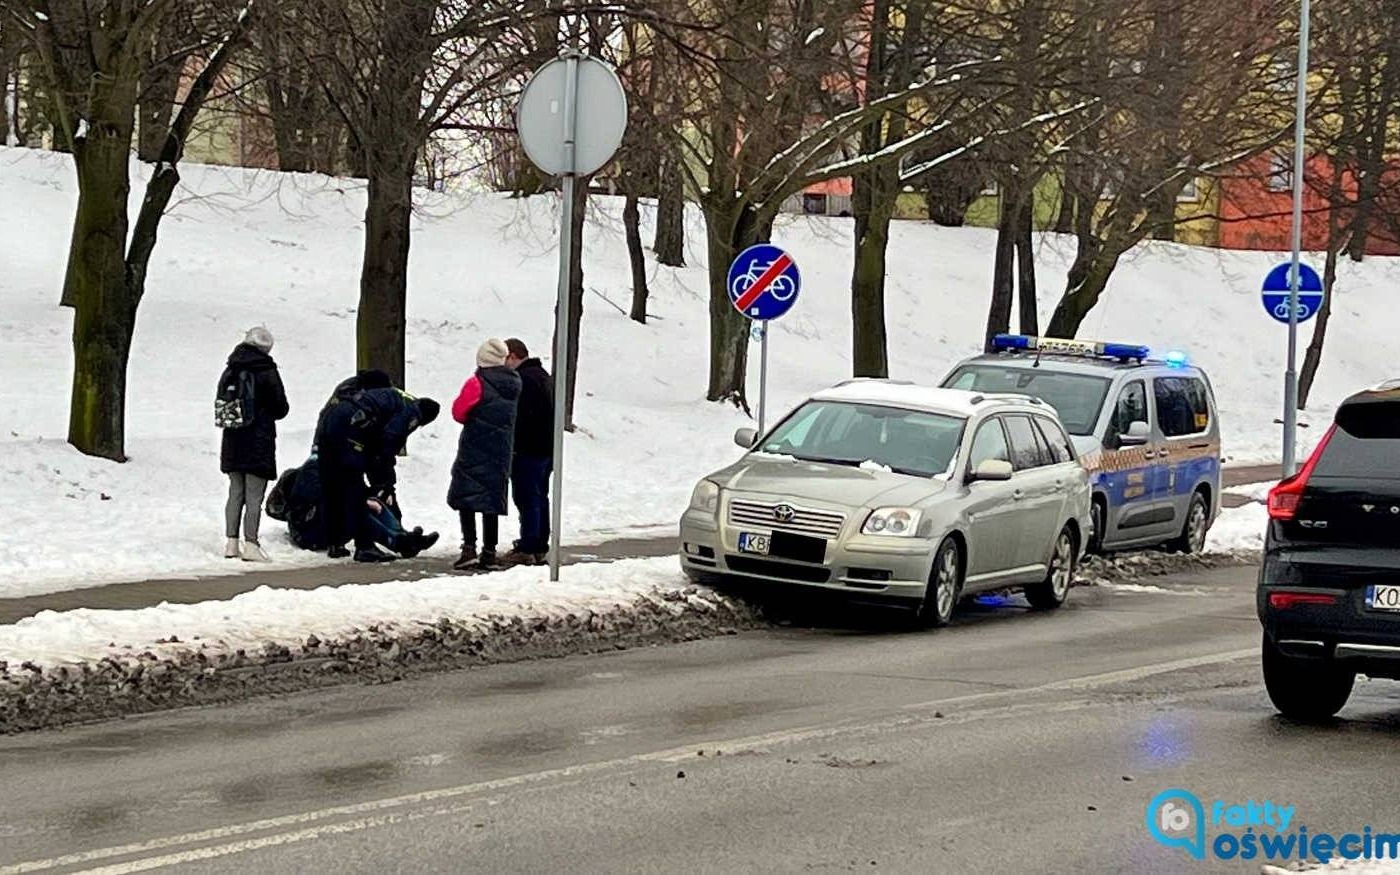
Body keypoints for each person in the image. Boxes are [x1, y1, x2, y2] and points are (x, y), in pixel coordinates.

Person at [316, 384, 440, 562]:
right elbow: (388, 444)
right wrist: (384, 482)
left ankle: (335, 544)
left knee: (333, 486)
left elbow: (377, 444)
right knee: (355, 490)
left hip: (333, 420)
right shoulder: (412, 412)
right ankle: (366, 546)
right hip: (352, 427)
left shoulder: (399, 398)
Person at [266, 457, 439, 557]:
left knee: (372, 504)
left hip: (323, 525)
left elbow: (356, 491)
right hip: (310, 532)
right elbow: (326, 497)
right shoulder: (312, 473)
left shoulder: (337, 468)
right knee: (357, 510)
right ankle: (400, 542)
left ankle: (403, 536)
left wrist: (375, 496)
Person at [217, 327, 289, 562]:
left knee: (235, 492)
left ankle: (230, 543)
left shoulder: (231, 368)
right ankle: (251, 544)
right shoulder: (266, 370)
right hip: (259, 439)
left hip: (232, 438)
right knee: (254, 495)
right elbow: (281, 407)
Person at [448, 338, 521, 570]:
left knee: (467, 496)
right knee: (491, 500)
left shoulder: (477, 383)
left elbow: (459, 412)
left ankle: (469, 548)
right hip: (501, 450)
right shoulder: (514, 383)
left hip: (475, 447)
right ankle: (489, 552)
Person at [502, 338, 554, 566]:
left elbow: (521, 418)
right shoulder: (543, 377)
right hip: (546, 448)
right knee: (540, 496)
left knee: (527, 497)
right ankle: (540, 543)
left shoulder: (523, 380)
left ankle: (529, 544)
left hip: (528, 449)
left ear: (513, 356)